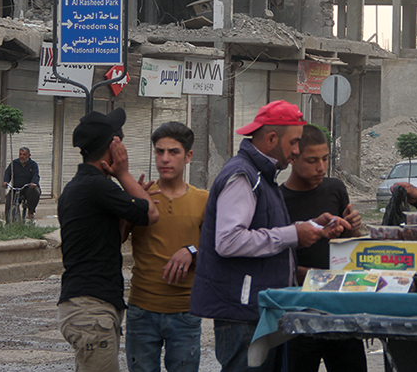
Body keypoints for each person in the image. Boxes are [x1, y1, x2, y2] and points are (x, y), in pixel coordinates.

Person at [190, 100, 350, 372]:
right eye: (294, 142)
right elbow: (228, 241)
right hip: (243, 313)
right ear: (272, 139)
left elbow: (263, 227)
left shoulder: (261, 175)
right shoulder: (242, 176)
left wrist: (311, 226)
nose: (296, 150)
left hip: (257, 310)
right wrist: (292, 234)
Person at [57, 108, 160, 372]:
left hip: (87, 307)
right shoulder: (98, 187)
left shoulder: (78, 187)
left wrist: (129, 203)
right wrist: (124, 174)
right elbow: (151, 214)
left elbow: (114, 237)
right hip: (91, 310)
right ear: (112, 147)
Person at [280, 124, 366, 372]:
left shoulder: (334, 189)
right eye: (312, 160)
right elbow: (275, 254)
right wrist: (306, 275)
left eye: (325, 159)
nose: (321, 167)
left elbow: (349, 245)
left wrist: (352, 228)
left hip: (340, 307)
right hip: (299, 308)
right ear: (293, 158)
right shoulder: (277, 199)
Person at [124, 121, 208, 372]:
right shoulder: (142, 195)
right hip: (141, 308)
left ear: (188, 156)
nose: (165, 158)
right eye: (159, 151)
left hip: (185, 311)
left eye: (173, 152)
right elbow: (115, 238)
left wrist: (191, 251)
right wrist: (132, 206)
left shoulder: (203, 200)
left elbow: (217, 252)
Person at [3, 146, 40, 220]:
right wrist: (6, 181)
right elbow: (8, 173)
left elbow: (35, 175)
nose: (22, 156)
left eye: (24, 154)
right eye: (20, 154)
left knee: (34, 193)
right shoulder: (14, 163)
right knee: (9, 199)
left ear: (29, 155)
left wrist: (33, 183)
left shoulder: (33, 164)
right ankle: (8, 220)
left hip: (28, 188)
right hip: (16, 188)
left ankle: (31, 211)